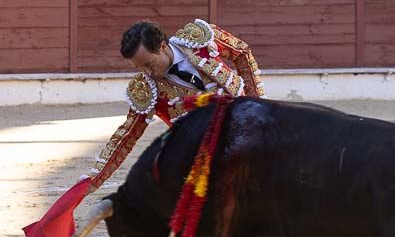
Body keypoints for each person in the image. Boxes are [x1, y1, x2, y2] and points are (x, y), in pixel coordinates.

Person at [86, 18, 264, 191]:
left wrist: (258, 104)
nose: (147, 72)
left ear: (162, 47)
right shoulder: (147, 90)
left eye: (149, 64)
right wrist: (94, 181)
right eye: (140, 68)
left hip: (250, 128)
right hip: (209, 159)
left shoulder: (200, 40)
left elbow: (241, 53)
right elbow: (126, 136)